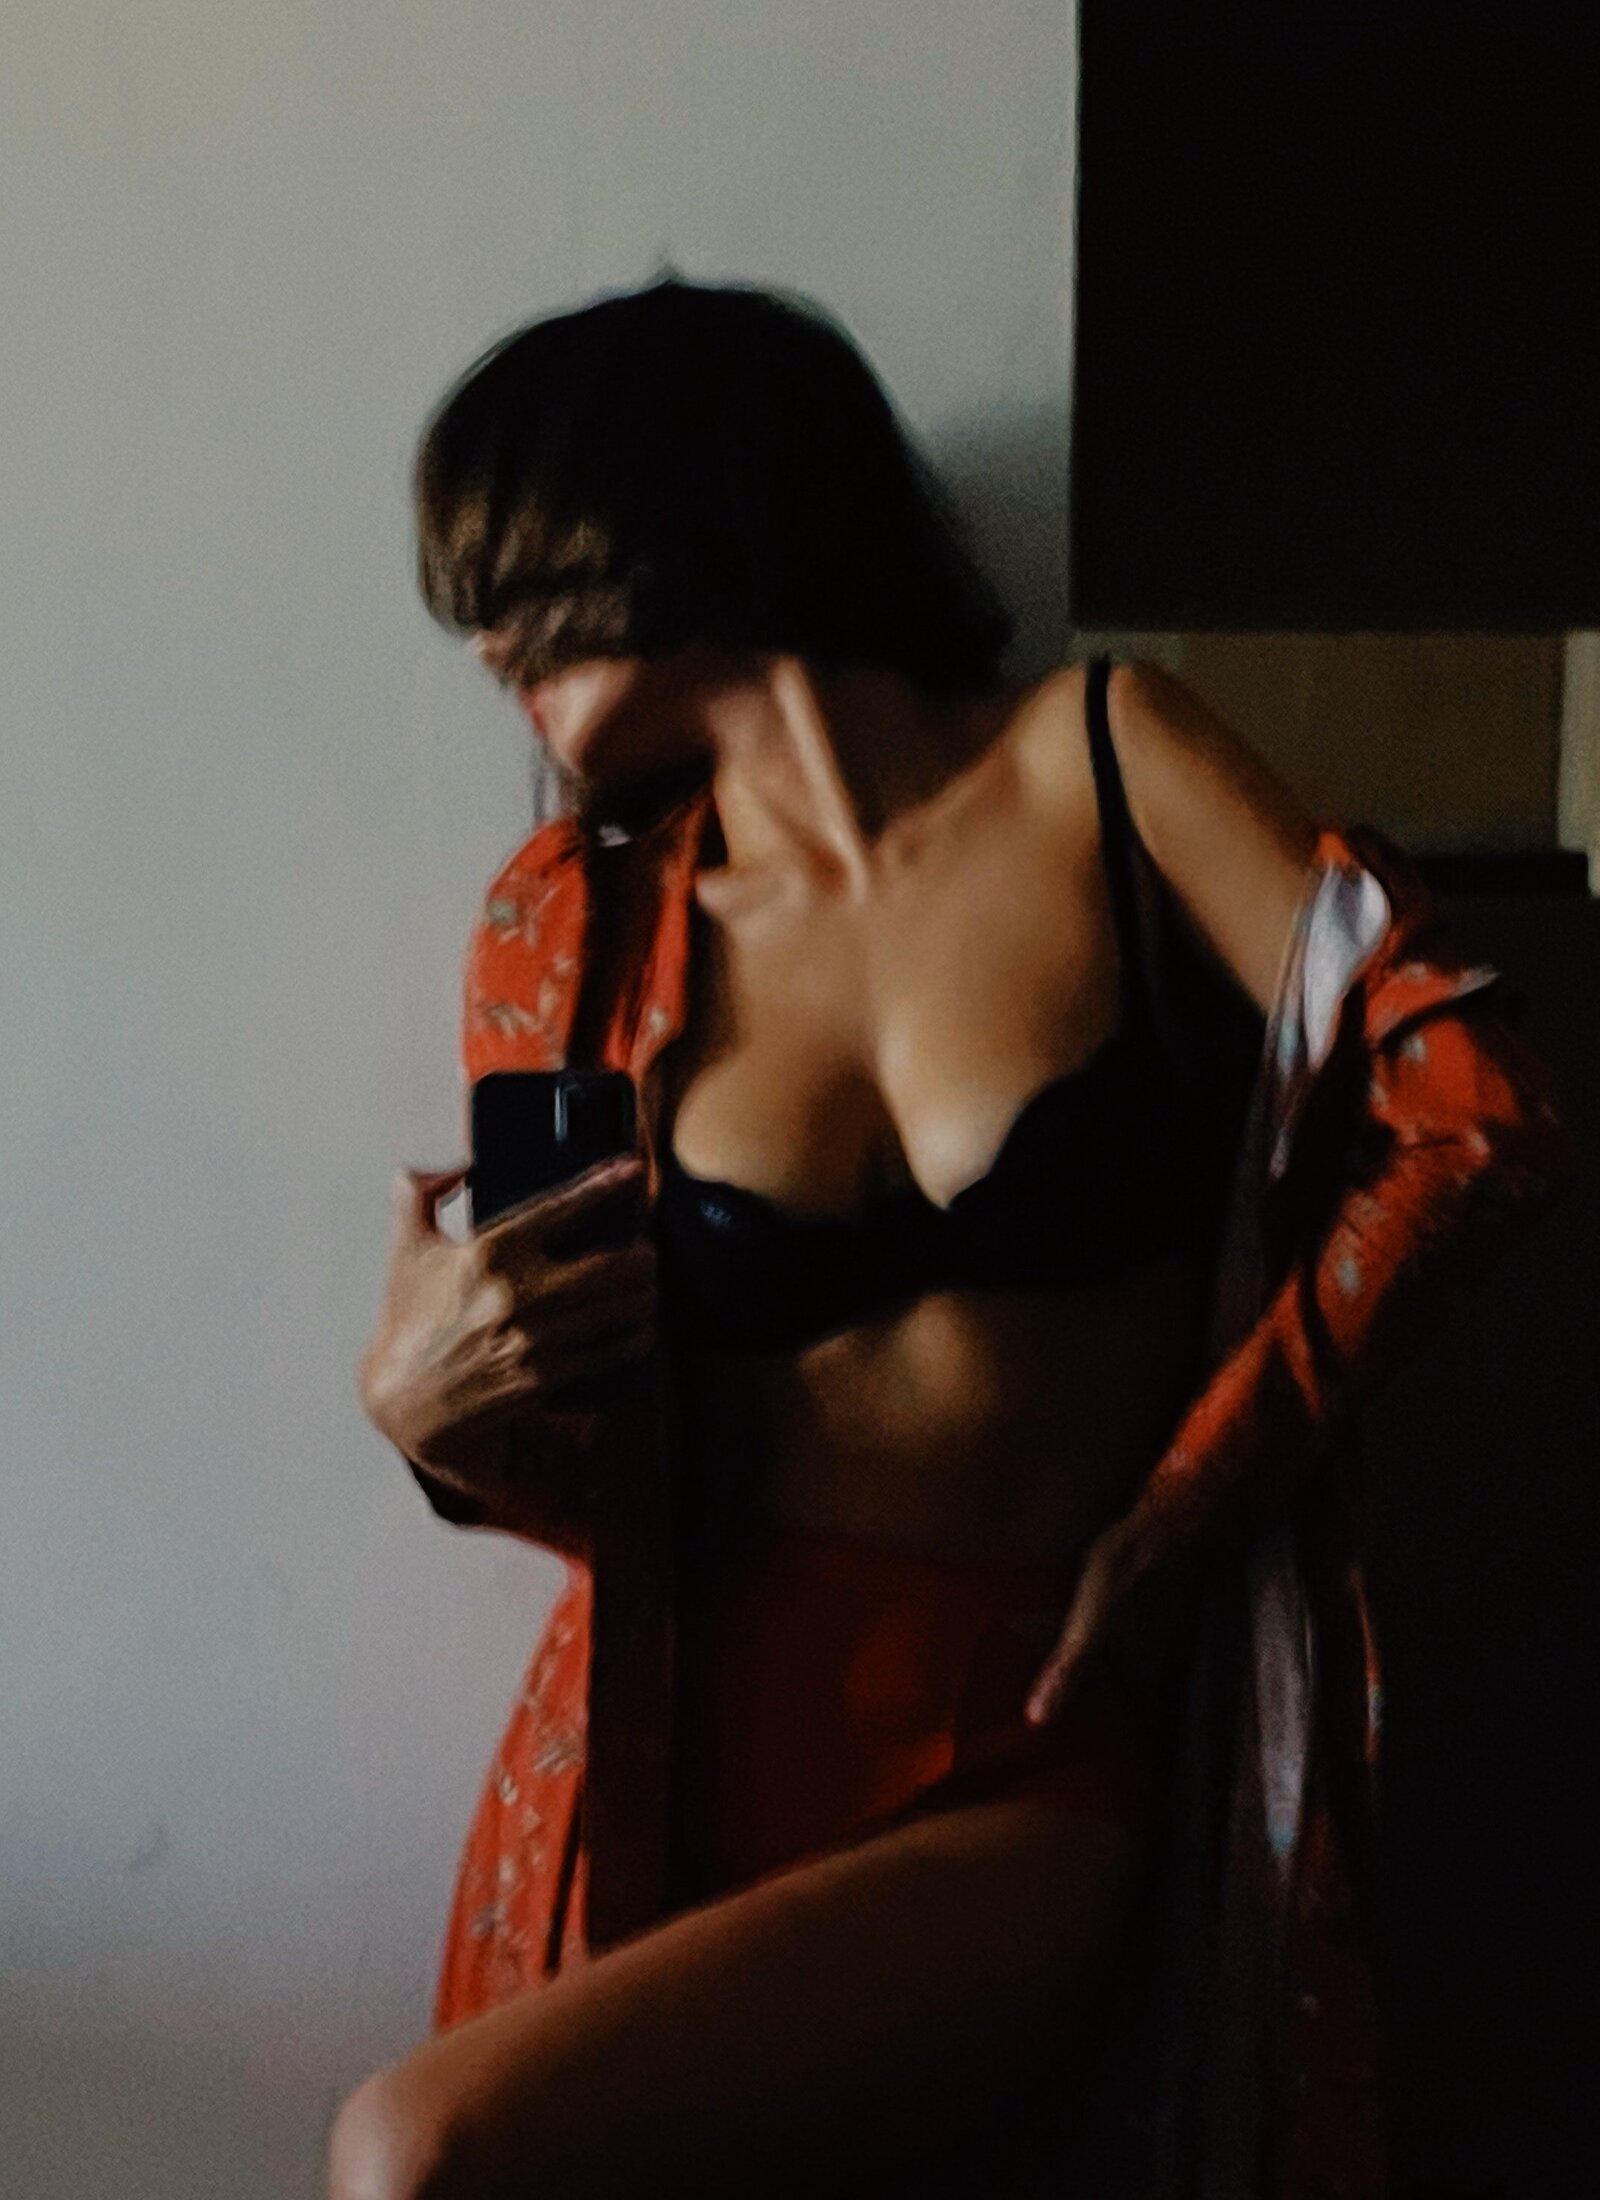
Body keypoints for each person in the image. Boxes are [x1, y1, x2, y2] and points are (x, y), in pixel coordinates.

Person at [331, 276, 1579, 2198]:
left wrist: (1188, 1508)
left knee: (417, 2152)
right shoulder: (569, 928)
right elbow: (596, 1471)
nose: (479, 632)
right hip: (667, 1765)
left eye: (516, 569)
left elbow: (1477, 1117)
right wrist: (428, 1418)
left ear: (695, 509)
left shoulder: (1105, 758)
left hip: (1025, 1742)